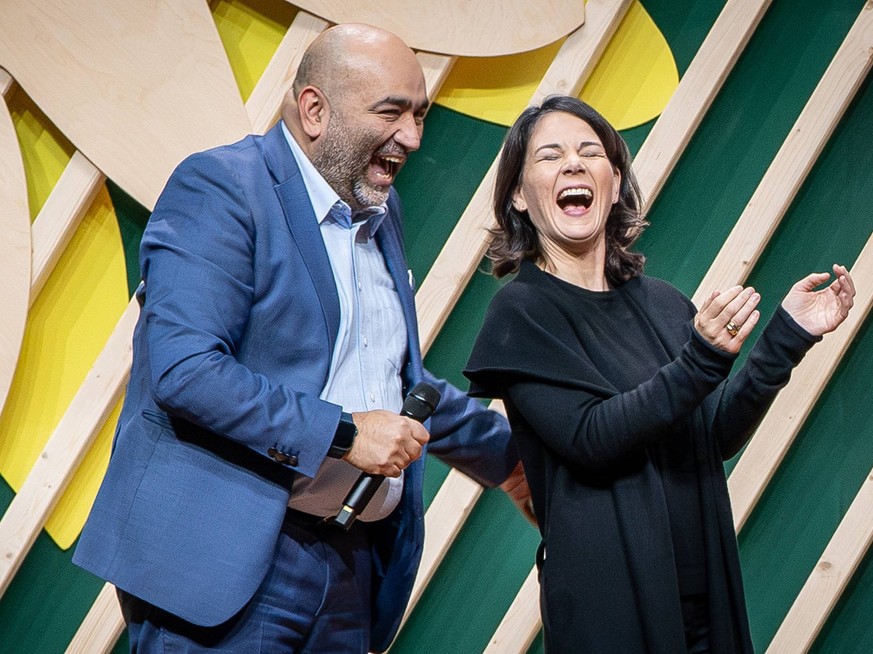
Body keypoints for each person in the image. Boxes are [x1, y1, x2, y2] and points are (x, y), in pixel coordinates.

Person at [73, 23, 527, 653]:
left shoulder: (379, 208)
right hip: (227, 567)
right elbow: (186, 370)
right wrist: (343, 433)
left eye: (419, 115)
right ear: (315, 109)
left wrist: (512, 461)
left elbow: (393, 384)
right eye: (391, 112)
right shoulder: (223, 188)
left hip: (349, 568)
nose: (413, 138)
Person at [463, 95, 855, 653]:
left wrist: (787, 336)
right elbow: (591, 438)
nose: (573, 164)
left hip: (702, 600)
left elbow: (712, 434)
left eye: (589, 151)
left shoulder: (665, 303)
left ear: (616, 181)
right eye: (550, 156)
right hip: (610, 612)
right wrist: (702, 359)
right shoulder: (521, 313)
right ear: (520, 197)